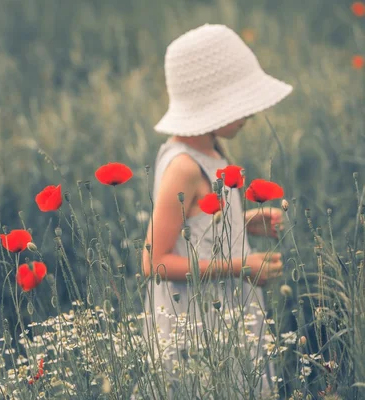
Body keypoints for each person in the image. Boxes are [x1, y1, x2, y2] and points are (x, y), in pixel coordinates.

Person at [138, 24, 292, 399]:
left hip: (221, 315)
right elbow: (154, 263)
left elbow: (198, 226)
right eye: (241, 103)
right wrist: (242, 265)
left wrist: (246, 222)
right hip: (196, 324)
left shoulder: (211, 148)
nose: (252, 113)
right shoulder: (184, 167)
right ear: (212, 103)